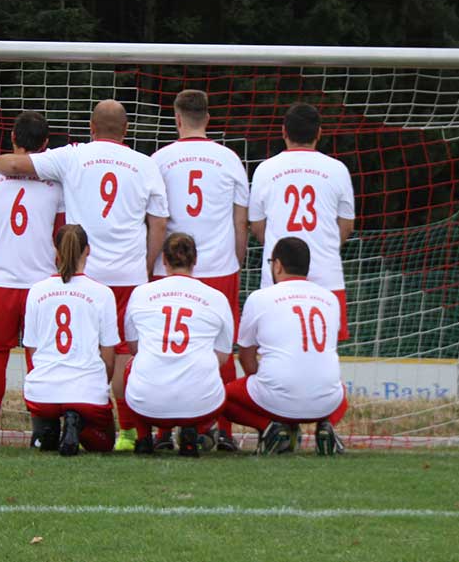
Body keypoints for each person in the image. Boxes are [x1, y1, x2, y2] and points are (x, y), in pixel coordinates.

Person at [0, 99, 169, 450]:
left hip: (86, 274)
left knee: (74, 348)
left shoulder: (72, 155)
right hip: (128, 274)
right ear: (126, 130)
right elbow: (158, 222)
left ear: (91, 126)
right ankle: (132, 434)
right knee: (126, 355)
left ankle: (66, 414)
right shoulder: (145, 164)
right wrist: (145, 265)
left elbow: (13, 164)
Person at [151, 89, 249, 451]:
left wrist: (152, 265)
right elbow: (241, 222)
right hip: (219, 269)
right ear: (208, 118)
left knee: (165, 347)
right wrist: (236, 259)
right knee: (221, 351)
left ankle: (162, 433)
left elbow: (155, 221)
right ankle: (220, 429)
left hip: (172, 268)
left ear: (177, 119)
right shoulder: (229, 159)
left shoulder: (160, 159)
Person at [0, 111, 64, 448]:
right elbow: (61, 233)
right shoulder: (56, 183)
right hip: (41, 283)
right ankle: (41, 430)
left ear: (12, 139)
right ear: (45, 144)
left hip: (0, 280)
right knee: (38, 358)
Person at [224, 237, 348, 455]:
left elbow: (245, 356)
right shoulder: (330, 298)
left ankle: (270, 428)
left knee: (219, 397)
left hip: (276, 396)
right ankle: (326, 426)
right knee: (340, 390)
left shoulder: (260, 298)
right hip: (325, 400)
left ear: (278, 265)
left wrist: (261, 383)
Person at [248, 102, 355, 342]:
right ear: (319, 133)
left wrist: (285, 252)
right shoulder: (338, 170)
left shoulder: (265, 170)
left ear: (283, 131)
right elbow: (346, 226)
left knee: (275, 345)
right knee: (324, 350)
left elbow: (256, 226)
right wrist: (323, 247)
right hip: (326, 276)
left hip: (278, 275)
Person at [123, 233, 234, 457]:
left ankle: (144, 439)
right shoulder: (217, 298)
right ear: (195, 260)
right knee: (210, 370)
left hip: (147, 405)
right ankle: (193, 431)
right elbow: (222, 356)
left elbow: (134, 347)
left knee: (131, 366)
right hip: (200, 406)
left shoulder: (140, 294)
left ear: (163, 259)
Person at [22, 224, 120, 455]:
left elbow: (31, 351)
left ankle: (48, 428)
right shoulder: (103, 293)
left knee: (48, 427)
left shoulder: (36, 291)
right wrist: (97, 385)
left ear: (55, 250)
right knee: (104, 445)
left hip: (41, 392)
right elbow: (109, 357)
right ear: (88, 250)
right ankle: (76, 421)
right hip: (85, 392)